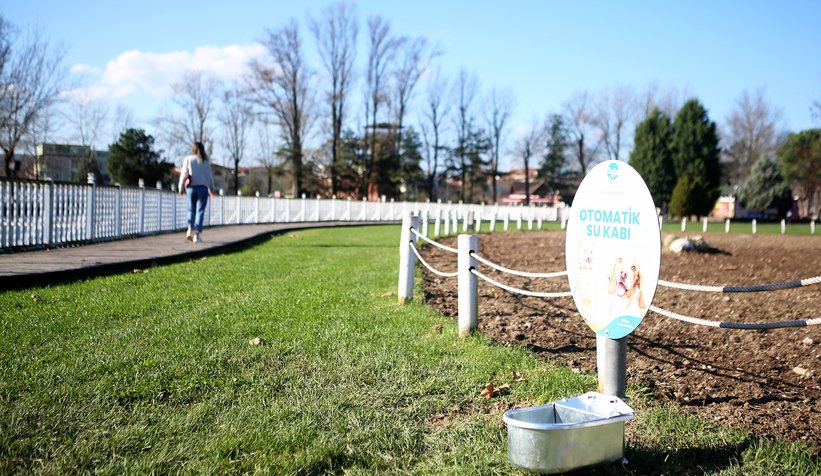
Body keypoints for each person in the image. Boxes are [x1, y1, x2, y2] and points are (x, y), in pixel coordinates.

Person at [178, 142, 215, 243]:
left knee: (191, 209)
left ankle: (189, 230)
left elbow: (184, 174)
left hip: (191, 188)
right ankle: (197, 235)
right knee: (200, 211)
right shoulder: (205, 161)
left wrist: (180, 187)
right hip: (203, 189)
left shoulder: (188, 159)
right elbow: (209, 177)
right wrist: (212, 189)